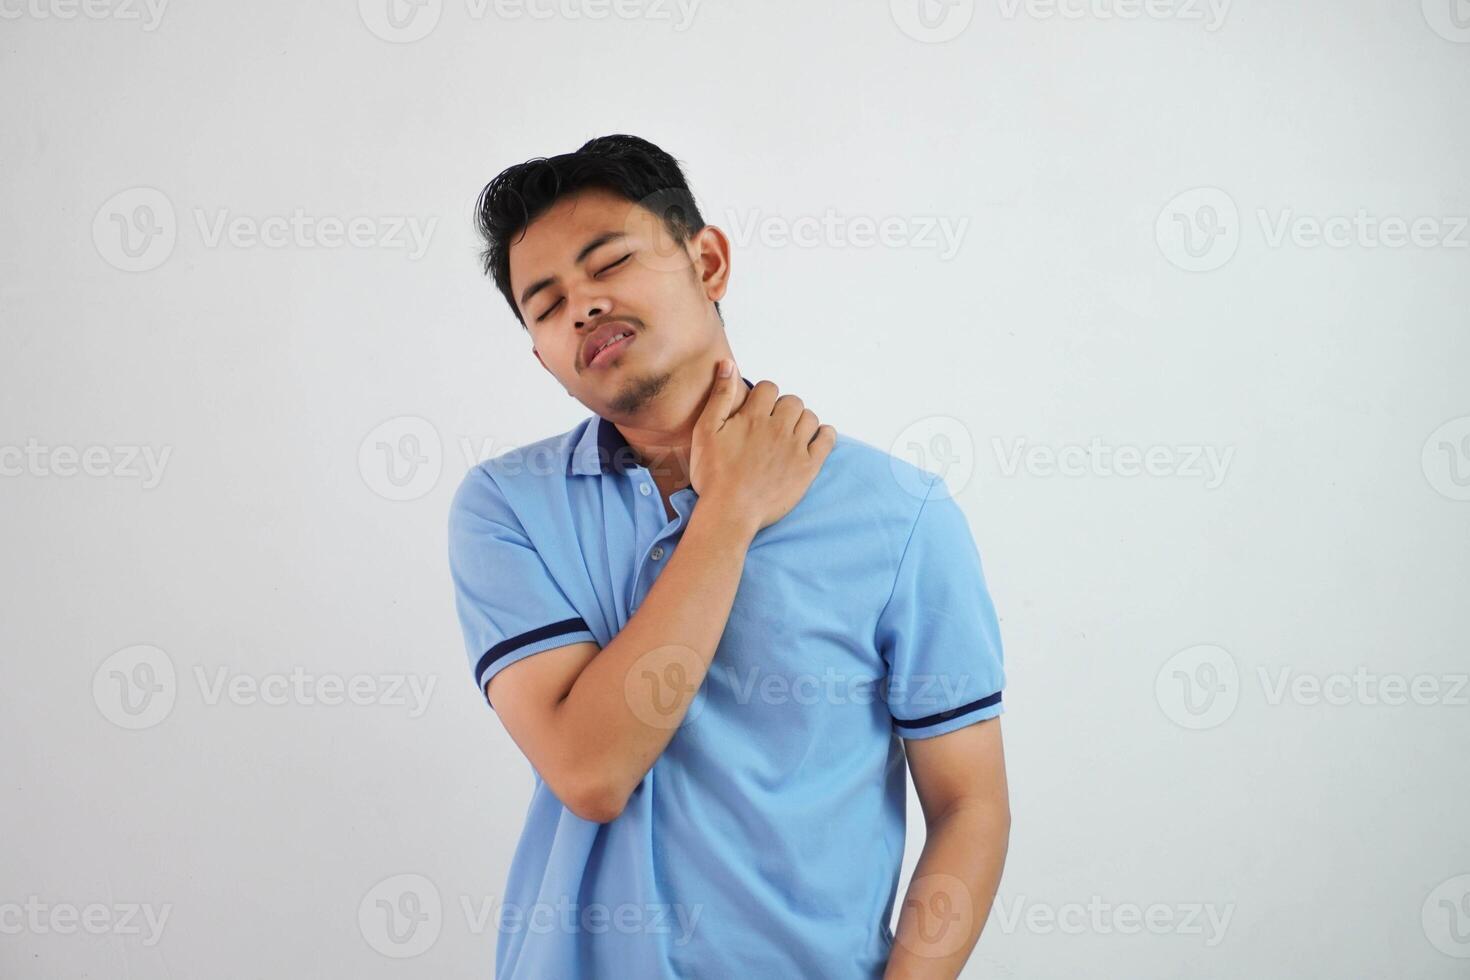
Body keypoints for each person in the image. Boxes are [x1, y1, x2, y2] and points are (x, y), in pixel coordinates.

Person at [447, 134, 1009, 979]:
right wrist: (731, 513)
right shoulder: (506, 507)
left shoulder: (898, 515)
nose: (583, 308)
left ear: (706, 260)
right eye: (548, 303)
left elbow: (969, 803)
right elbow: (589, 769)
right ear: (541, 356)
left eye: (609, 264)